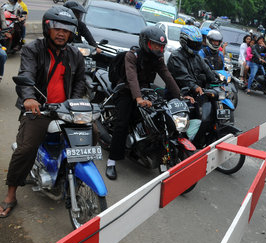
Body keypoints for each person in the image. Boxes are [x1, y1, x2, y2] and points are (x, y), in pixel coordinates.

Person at [0, 6, 85, 218]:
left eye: (66, 29)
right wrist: (29, 98)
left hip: (65, 110)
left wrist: (74, 103)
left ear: (72, 32)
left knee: (88, 135)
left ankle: (73, 174)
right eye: (57, 27)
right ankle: (11, 193)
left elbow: (80, 81)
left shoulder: (75, 54)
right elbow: (26, 73)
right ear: (48, 27)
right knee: (26, 148)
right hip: (40, 109)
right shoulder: (33, 49)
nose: (61, 33)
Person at [105, 26, 193, 180]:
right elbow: (131, 78)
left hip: (145, 91)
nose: (159, 48)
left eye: (161, 46)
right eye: (156, 45)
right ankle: (112, 161)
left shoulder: (157, 59)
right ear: (145, 43)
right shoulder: (132, 56)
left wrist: (180, 96)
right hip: (125, 90)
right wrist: (138, 98)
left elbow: (167, 76)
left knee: (160, 113)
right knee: (122, 123)